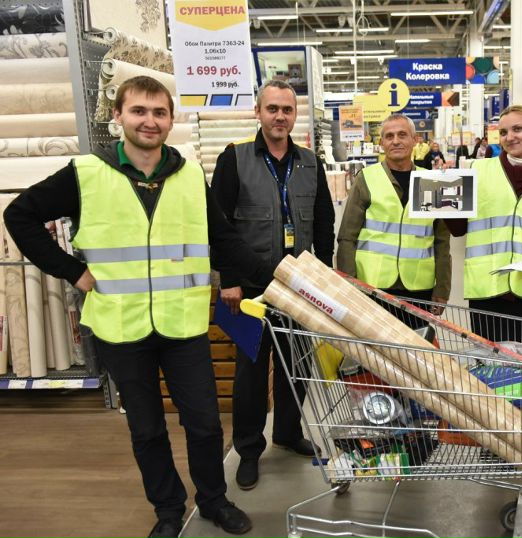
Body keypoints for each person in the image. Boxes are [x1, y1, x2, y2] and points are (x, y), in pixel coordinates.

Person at [3, 76, 262, 538]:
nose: (149, 121)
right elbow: (18, 215)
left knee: (204, 424)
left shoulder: (189, 175)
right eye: (139, 111)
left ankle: (213, 501)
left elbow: (224, 240)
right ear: (118, 116)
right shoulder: (86, 173)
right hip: (120, 328)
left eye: (159, 112)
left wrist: (280, 276)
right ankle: (168, 510)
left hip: (182, 326)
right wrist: (72, 271)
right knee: (146, 429)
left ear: (171, 120)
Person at [210, 80, 335, 491]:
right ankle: (248, 449)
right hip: (249, 288)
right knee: (250, 371)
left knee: (296, 365)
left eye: (287, 109)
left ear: (295, 115)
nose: (280, 116)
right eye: (272, 109)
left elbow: (324, 221)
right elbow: (219, 223)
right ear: (258, 112)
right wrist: (228, 280)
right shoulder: (235, 158)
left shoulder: (309, 162)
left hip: (299, 285)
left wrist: (324, 275)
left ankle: (287, 431)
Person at [444, 104, 522, 356]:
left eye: (517, 129)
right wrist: (444, 201)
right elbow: (458, 229)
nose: (509, 137)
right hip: (488, 289)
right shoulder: (478, 171)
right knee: (490, 370)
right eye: (503, 132)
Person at [337, 113, 451, 326]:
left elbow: (442, 241)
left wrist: (442, 288)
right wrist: (348, 283)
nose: (396, 141)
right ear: (382, 143)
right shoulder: (366, 179)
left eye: (402, 135)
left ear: (415, 140)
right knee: (373, 347)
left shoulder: (432, 181)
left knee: (416, 346)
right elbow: (346, 237)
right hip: (372, 286)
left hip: (419, 287)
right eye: (389, 136)